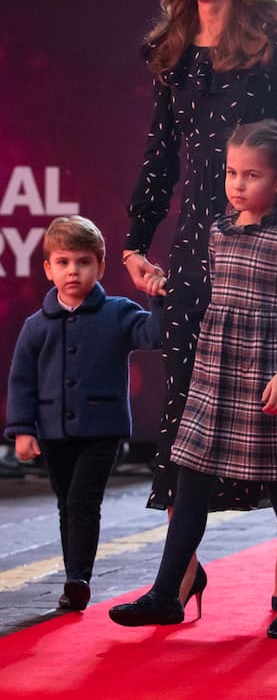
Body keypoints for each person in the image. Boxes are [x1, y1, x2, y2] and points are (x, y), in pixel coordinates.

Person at [121, 0, 277, 608]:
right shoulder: (172, 45)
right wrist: (133, 241)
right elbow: (159, 156)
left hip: (265, 245)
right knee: (189, 412)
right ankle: (176, 579)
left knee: (274, 416)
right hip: (194, 248)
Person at [110, 119, 277, 638]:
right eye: (231, 172)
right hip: (217, 368)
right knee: (192, 480)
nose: (237, 183)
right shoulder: (219, 231)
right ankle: (166, 592)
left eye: (251, 174)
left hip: (269, 372)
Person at [4, 216, 162, 612]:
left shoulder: (119, 313)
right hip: (53, 431)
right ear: (48, 269)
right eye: (63, 262)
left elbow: (155, 336)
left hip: (102, 431)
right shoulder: (35, 326)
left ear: (100, 266)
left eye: (83, 262)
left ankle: (78, 579)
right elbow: (22, 380)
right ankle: (74, 572)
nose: (73, 270)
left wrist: (158, 297)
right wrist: (23, 430)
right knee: (66, 505)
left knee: (82, 502)